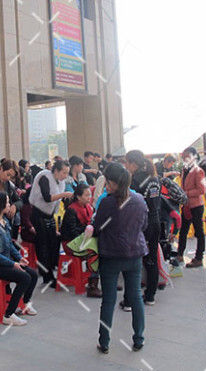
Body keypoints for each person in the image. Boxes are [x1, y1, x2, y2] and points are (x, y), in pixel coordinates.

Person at [84, 163, 148, 354]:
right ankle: (139, 339)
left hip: (111, 256)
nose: (106, 186)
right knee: (136, 296)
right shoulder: (139, 200)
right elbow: (143, 225)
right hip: (134, 254)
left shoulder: (107, 203)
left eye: (108, 182)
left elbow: (99, 226)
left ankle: (104, 342)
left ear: (113, 182)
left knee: (109, 300)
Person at [0, 191, 38, 326]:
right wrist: (12, 263)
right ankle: (8, 314)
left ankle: (25, 303)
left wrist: (19, 258)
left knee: (32, 274)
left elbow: (9, 244)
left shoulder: (4, 221)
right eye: (6, 202)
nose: (9, 205)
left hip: (2, 261)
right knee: (25, 277)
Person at [125, 150, 161, 306]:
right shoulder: (154, 179)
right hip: (155, 222)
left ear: (133, 163)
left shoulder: (135, 181)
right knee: (152, 260)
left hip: (141, 225)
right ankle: (150, 296)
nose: (125, 166)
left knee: (133, 262)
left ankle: (129, 301)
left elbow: (129, 204)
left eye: (126, 163)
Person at [29, 159, 72, 286]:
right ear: (56, 170)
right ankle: (47, 276)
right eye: (63, 172)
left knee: (53, 243)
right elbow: (47, 197)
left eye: (67, 173)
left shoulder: (61, 182)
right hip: (38, 214)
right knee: (43, 247)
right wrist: (63, 194)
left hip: (50, 215)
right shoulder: (44, 177)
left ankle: (51, 269)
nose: (65, 176)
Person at [60, 183, 101, 298]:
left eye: (90, 195)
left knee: (102, 246)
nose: (89, 198)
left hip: (83, 239)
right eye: (86, 195)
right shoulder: (71, 210)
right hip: (71, 243)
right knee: (95, 252)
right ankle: (92, 285)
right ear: (78, 197)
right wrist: (87, 231)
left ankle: (99, 279)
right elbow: (72, 232)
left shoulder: (88, 208)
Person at [177, 147, 206, 268]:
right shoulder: (185, 170)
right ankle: (179, 254)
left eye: (187, 156)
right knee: (183, 230)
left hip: (196, 205)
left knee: (198, 231)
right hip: (186, 205)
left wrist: (186, 193)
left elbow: (202, 190)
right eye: (184, 156)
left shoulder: (198, 170)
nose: (185, 158)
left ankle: (199, 257)